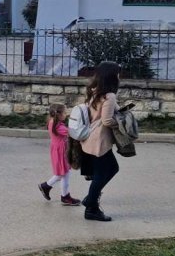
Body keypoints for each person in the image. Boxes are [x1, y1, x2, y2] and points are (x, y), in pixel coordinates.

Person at [80, 61, 122, 221]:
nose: (119, 76)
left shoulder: (95, 91)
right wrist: (121, 123)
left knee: (110, 169)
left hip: (90, 137)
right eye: (117, 73)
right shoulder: (109, 96)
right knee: (104, 172)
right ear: (112, 76)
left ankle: (90, 200)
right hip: (99, 140)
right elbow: (106, 120)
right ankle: (91, 207)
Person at [39, 103, 82, 206]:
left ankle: (50, 188)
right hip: (60, 152)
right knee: (63, 173)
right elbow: (71, 133)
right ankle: (62, 195)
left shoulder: (52, 122)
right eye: (65, 112)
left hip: (58, 150)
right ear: (59, 114)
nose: (66, 114)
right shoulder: (58, 126)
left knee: (63, 173)